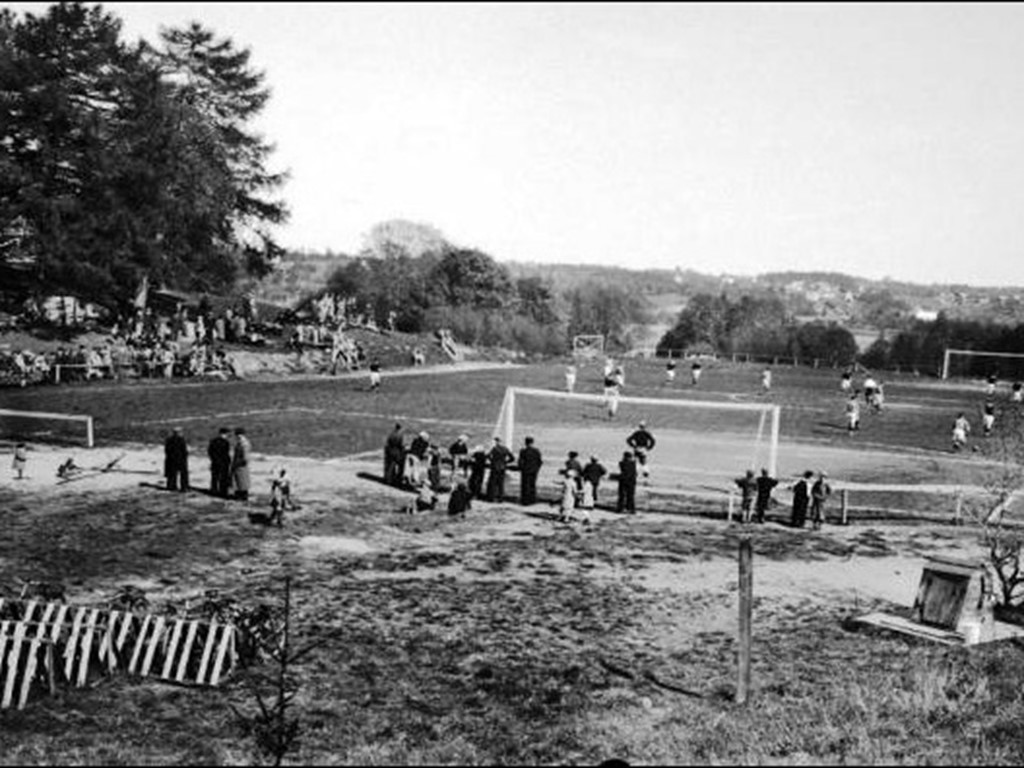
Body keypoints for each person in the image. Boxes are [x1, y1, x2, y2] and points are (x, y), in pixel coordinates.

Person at [485, 436, 515, 502]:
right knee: (500, 484)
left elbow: (487, 456)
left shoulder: (494, 449)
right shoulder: (505, 449)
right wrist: (505, 462)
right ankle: (500, 498)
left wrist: (492, 461)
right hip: (502, 467)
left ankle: (491, 498)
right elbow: (512, 458)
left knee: (493, 483)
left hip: (495, 467)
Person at [517, 436, 543, 506]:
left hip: (525, 471)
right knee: (532, 485)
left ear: (525, 442)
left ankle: (525, 501)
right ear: (532, 442)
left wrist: (521, 468)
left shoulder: (523, 451)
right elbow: (540, 462)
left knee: (525, 486)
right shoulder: (536, 451)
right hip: (534, 471)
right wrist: (536, 469)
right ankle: (532, 500)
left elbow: (520, 462)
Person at [207, 427, 233, 498]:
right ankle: (223, 492)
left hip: (215, 462)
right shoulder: (225, 442)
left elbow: (210, 452)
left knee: (214, 477)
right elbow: (226, 453)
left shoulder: (213, 441)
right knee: (223, 478)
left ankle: (213, 490)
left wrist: (213, 459)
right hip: (223, 463)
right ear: (225, 434)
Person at [164, 427, 189, 492]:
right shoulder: (181, 440)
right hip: (180, 459)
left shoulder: (169, 440)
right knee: (183, 474)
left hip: (171, 459)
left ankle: (171, 486)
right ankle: (184, 487)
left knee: (172, 474)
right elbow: (184, 450)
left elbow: (167, 450)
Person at [231, 427, 252, 501]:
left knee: (242, 481)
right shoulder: (240, 443)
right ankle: (240, 494)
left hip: (241, 465)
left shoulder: (244, 444)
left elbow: (245, 457)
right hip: (239, 464)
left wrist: (238, 463)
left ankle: (243, 496)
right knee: (239, 480)